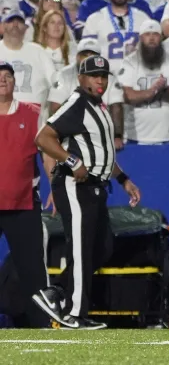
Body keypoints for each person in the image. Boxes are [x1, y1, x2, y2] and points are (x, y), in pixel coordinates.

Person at [32, 55, 142, 330]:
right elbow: (43, 138)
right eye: (94, 76)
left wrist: (123, 179)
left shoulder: (98, 106)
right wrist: (71, 161)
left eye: (103, 76)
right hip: (75, 185)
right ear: (81, 78)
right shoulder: (77, 103)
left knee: (102, 247)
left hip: (95, 187)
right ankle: (74, 314)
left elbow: (102, 153)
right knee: (81, 249)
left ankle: (57, 292)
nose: (100, 81)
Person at [0, 62, 50, 328]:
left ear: (14, 82)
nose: (2, 80)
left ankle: (41, 325)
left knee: (32, 270)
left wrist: (54, 186)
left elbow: (48, 152)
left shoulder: (33, 114)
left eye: (7, 76)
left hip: (23, 204)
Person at [47, 38, 125, 151]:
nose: (88, 58)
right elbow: (55, 107)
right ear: (77, 56)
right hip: (70, 135)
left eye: (92, 55)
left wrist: (117, 136)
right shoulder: (63, 75)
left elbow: (116, 107)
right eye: (84, 54)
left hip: (100, 136)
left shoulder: (109, 78)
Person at [120, 19, 169, 144]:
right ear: (141, 38)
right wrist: (154, 90)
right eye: (147, 34)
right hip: (135, 137)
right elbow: (127, 96)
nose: (151, 38)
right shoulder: (129, 62)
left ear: (161, 38)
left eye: (155, 34)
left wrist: (164, 88)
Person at [81, 0, 153, 74]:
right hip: (106, 75)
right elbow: (87, 52)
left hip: (137, 74)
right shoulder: (95, 19)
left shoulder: (142, 18)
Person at [0, 9, 56, 126]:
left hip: (34, 122)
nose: (15, 24)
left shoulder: (38, 51)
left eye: (19, 21)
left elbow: (55, 83)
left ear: (26, 28)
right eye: (10, 21)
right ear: (2, 26)